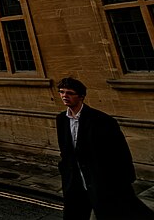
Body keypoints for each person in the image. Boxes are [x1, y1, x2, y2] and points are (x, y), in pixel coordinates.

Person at [55, 77, 154, 220]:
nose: (64, 96)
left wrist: (124, 181)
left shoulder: (102, 120)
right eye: (62, 92)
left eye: (70, 93)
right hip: (75, 184)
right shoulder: (61, 119)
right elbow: (66, 153)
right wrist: (66, 174)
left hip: (100, 183)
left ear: (81, 96)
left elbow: (121, 153)